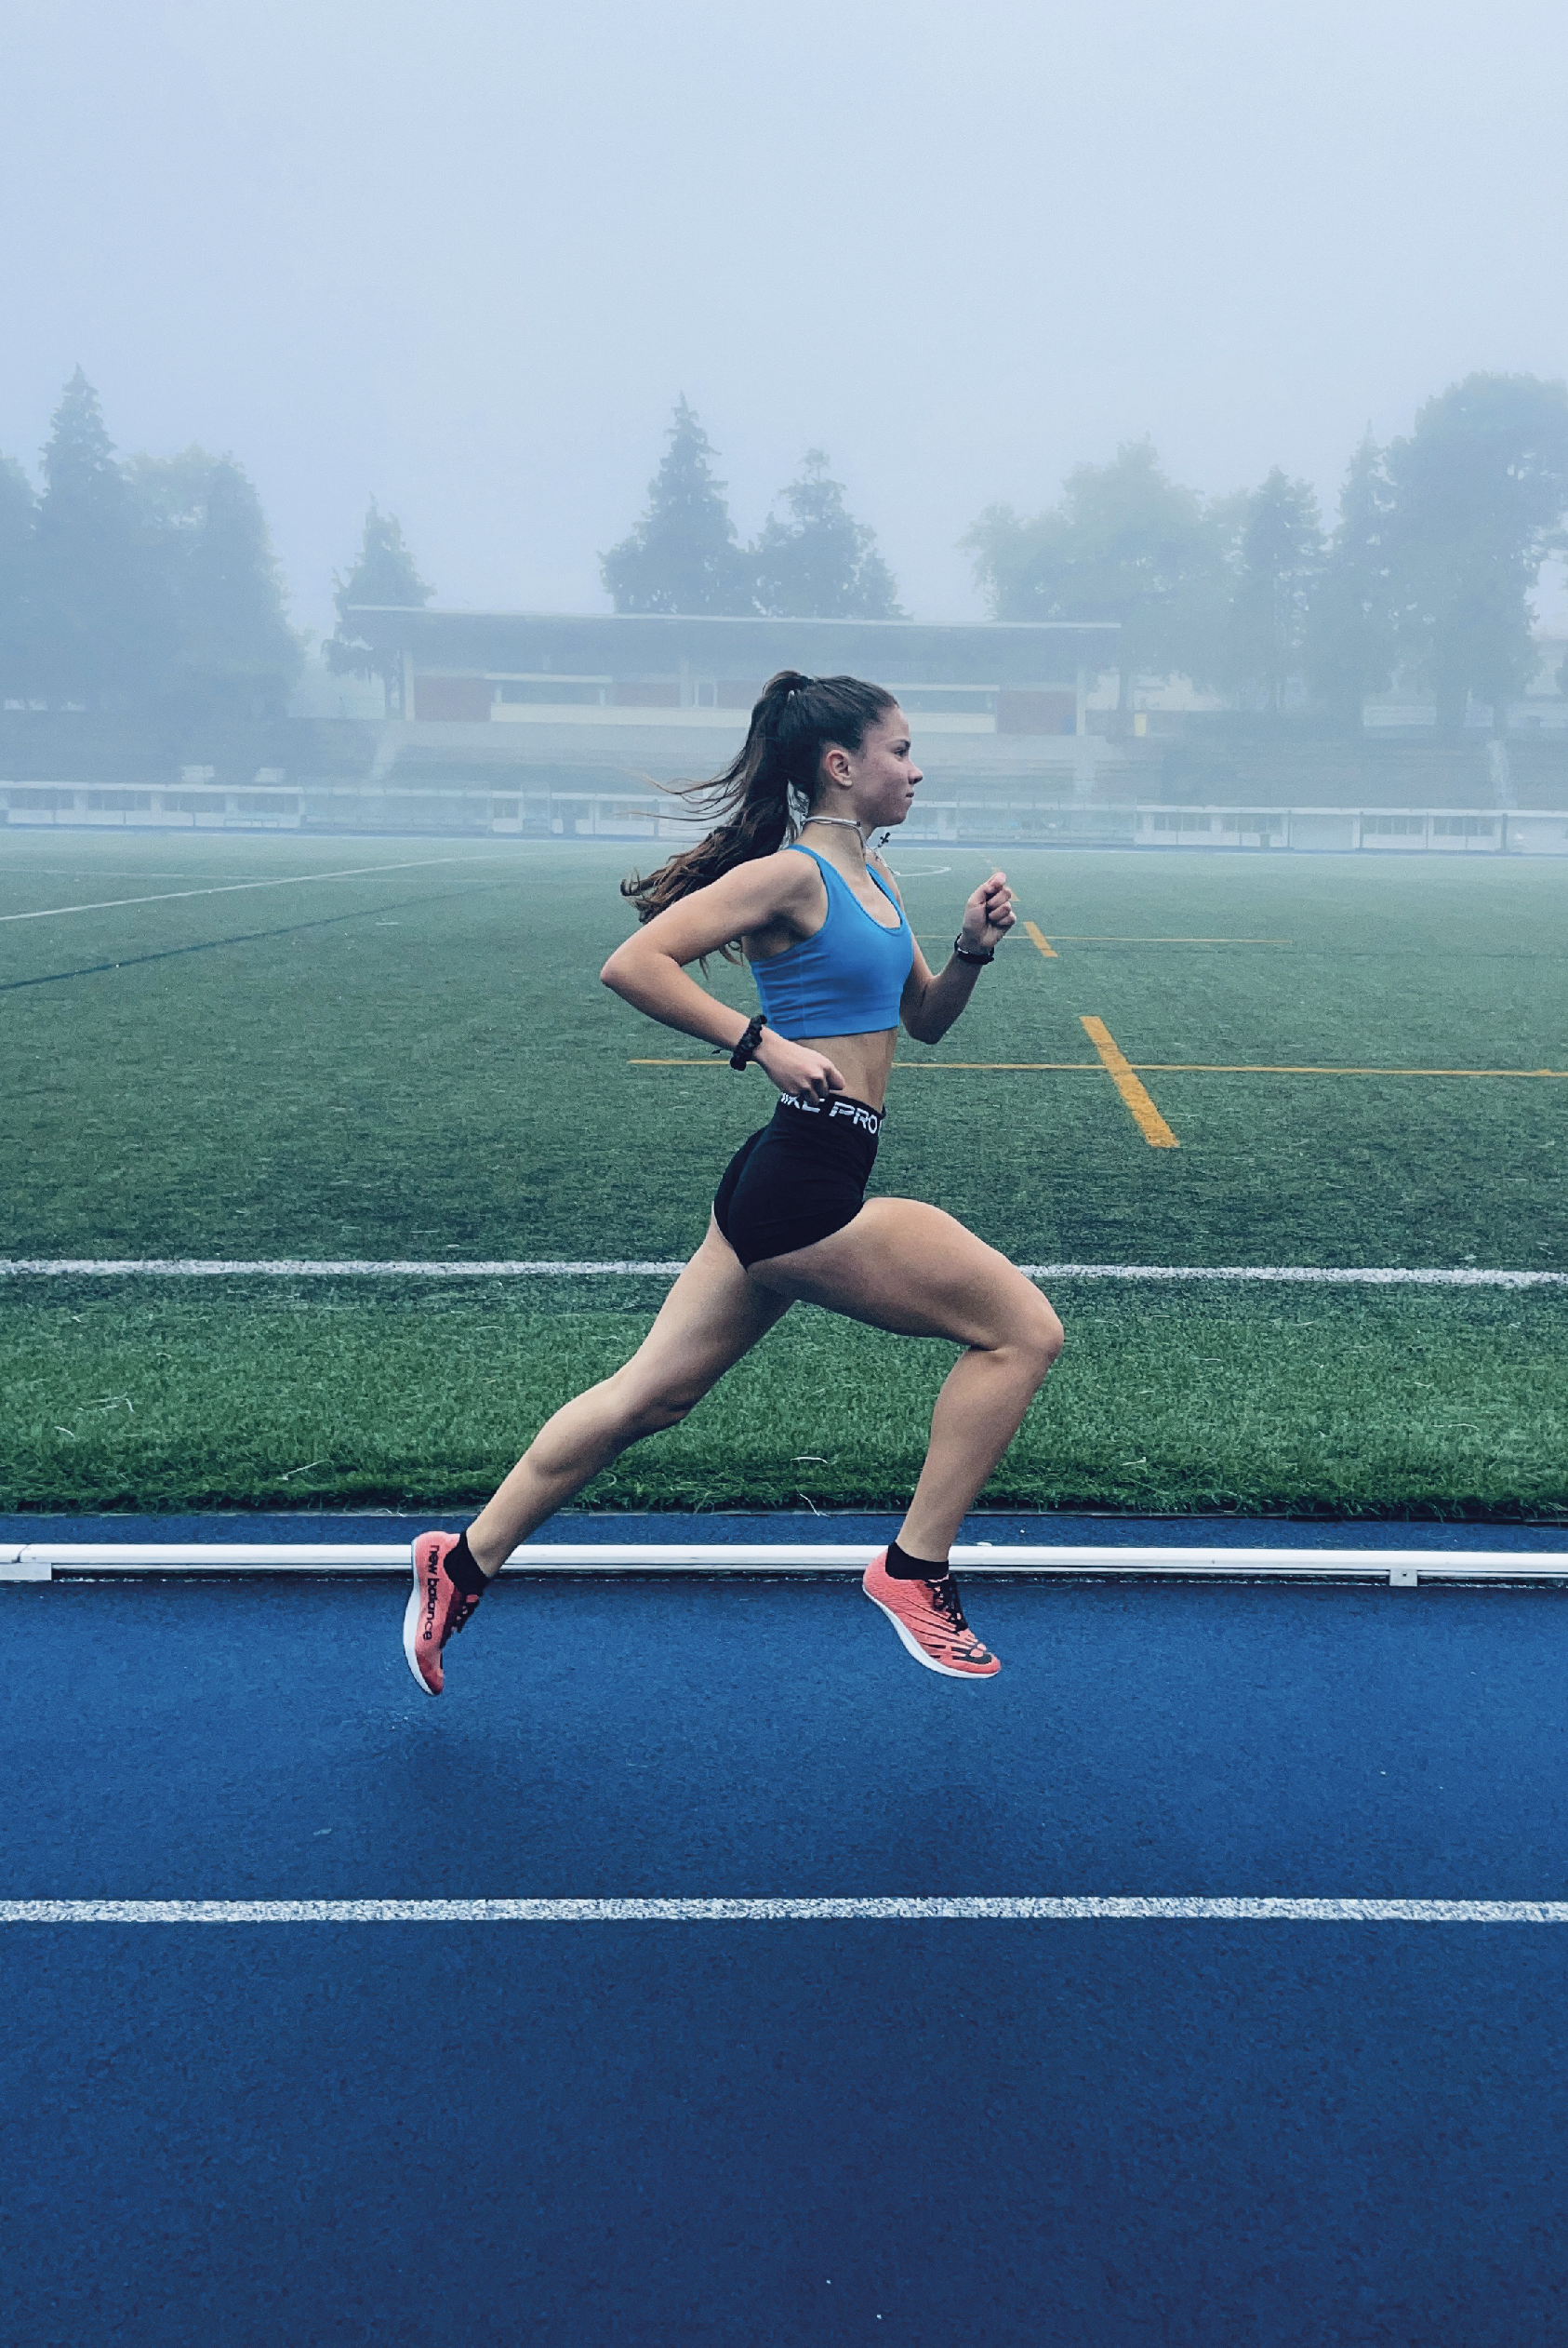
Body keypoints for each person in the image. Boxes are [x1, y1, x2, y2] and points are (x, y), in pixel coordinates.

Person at [405, 671, 1063, 1695]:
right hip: (804, 1188)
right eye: (900, 750)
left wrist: (972, 951)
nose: (916, 769)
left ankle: (463, 1562)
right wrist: (760, 1042)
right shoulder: (791, 876)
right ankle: (913, 1569)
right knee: (1022, 1332)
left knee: (649, 1398)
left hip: (791, 1172)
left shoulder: (878, 882)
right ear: (840, 766)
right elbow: (635, 963)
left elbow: (924, 1021)